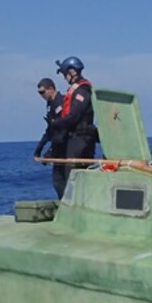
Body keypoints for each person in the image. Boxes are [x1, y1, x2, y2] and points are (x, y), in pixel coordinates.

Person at [49, 56, 97, 197]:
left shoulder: (81, 91)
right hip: (77, 138)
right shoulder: (78, 90)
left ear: (72, 72)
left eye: (65, 75)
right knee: (71, 175)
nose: (65, 78)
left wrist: (56, 123)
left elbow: (74, 116)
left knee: (73, 175)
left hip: (81, 139)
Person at [33, 77, 67, 198]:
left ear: (51, 89)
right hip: (58, 145)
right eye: (39, 93)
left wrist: (51, 151)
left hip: (67, 146)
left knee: (63, 181)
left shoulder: (62, 102)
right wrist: (39, 148)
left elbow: (63, 130)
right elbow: (50, 130)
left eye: (42, 92)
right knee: (58, 182)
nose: (41, 95)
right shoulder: (50, 105)